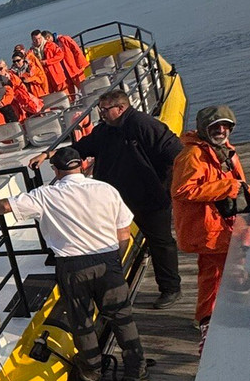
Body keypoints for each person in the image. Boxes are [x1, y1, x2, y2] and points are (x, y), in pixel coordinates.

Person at [0, 147, 147, 381]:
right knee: (121, 316)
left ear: (55, 170)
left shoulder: (45, 195)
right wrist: (115, 261)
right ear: (82, 166)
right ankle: (135, 367)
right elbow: (122, 231)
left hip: (72, 266)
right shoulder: (106, 189)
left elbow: (6, 206)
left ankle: (93, 368)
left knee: (81, 319)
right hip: (108, 259)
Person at [29, 89, 183, 308]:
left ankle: (170, 288)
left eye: (105, 110)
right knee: (108, 242)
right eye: (99, 110)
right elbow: (80, 148)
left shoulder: (143, 124)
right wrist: (48, 154)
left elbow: (175, 151)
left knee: (161, 242)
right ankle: (112, 289)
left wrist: (169, 184)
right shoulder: (105, 131)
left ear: (121, 108)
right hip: (117, 199)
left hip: (149, 197)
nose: (100, 114)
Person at [171, 105, 250, 351]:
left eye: (225, 126)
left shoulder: (224, 151)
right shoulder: (192, 156)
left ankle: (206, 318)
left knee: (211, 274)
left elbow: (240, 184)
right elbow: (182, 190)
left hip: (217, 225)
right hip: (209, 230)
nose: (221, 130)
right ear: (204, 129)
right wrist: (226, 189)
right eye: (215, 127)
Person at [32, 30, 67, 95]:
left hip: (56, 75)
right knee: (52, 98)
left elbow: (60, 55)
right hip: (46, 78)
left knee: (65, 95)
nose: (38, 41)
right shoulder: (32, 52)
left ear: (42, 37)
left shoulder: (50, 45)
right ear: (32, 40)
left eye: (39, 38)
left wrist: (47, 62)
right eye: (35, 39)